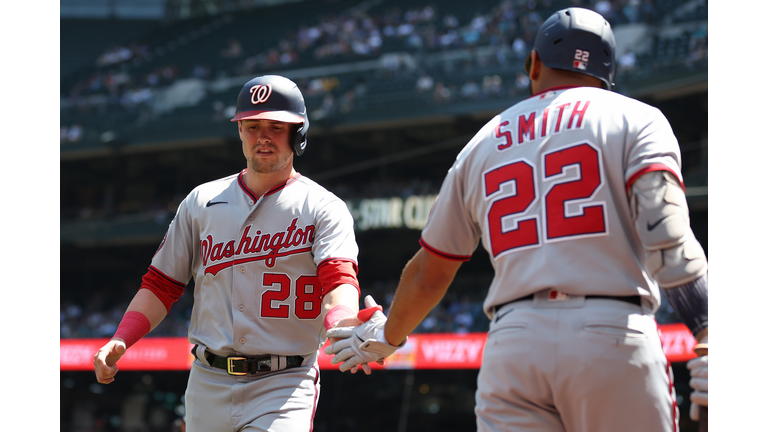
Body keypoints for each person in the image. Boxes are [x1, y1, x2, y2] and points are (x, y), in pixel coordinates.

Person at [325, 8, 708, 431]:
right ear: (607, 73)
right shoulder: (637, 118)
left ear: (535, 64)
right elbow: (666, 236)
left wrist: (385, 338)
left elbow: (429, 274)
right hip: (613, 330)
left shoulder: (482, 141)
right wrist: (708, 330)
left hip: (514, 341)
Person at [93, 74, 380, 432]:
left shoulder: (322, 207)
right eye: (252, 125)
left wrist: (342, 322)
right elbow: (161, 284)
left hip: (284, 383)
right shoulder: (201, 202)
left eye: (277, 126)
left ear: (299, 134)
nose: (263, 136)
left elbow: (338, 280)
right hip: (207, 381)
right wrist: (122, 337)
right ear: (240, 131)